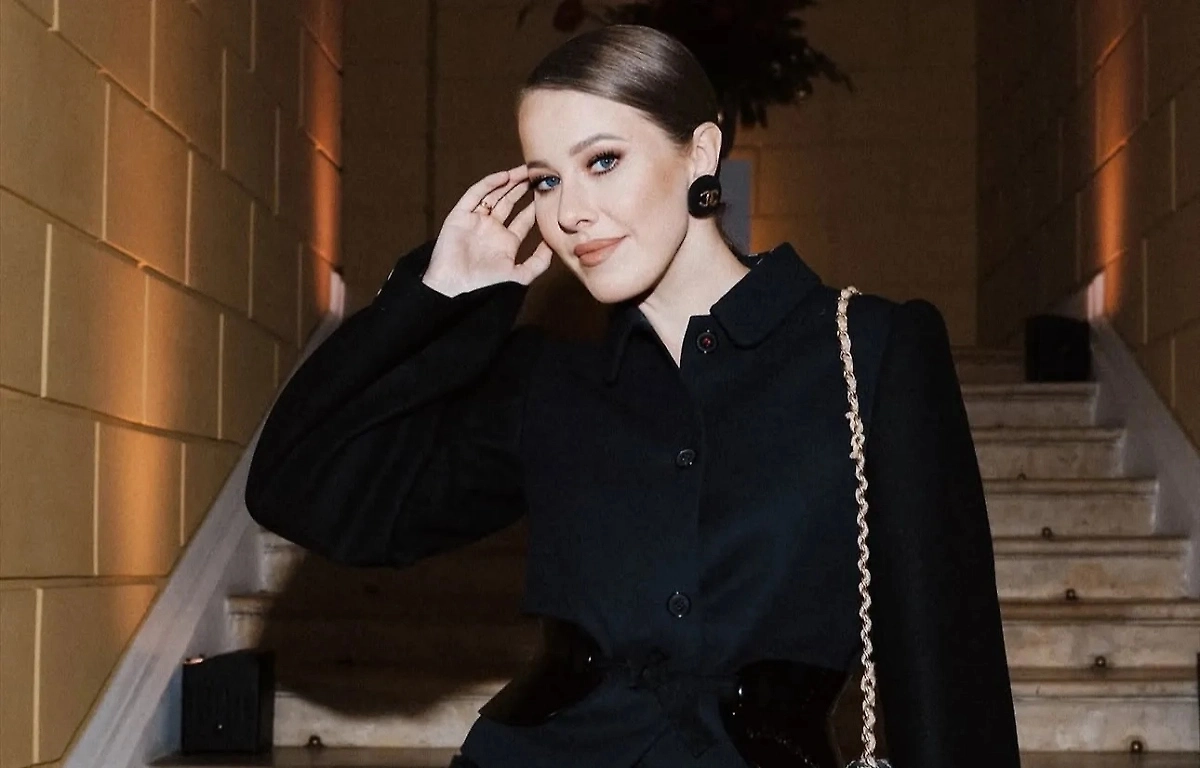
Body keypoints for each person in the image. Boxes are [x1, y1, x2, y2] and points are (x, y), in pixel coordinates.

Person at [244, 24, 1021, 768]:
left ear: (700, 154)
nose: (568, 212)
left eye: (603, 160)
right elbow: (300, 488)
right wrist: (439, 297)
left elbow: (949, 670)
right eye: (546, 180)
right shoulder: (548, 380)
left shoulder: (870, 349)